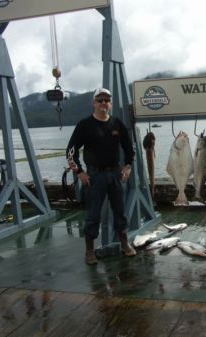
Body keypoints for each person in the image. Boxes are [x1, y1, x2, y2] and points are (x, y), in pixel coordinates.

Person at [66, 88, 136, 265]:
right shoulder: (85, 125)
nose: (103, 103)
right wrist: (79, 172)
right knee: (93, 214)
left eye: (106, 100)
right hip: (95, 176)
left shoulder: (117, 124)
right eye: (100, 100)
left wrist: (128, 167)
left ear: (110, 103)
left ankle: (124, 244)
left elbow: (129, 148)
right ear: (94, 103)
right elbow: (70, 151)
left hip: (115, 174)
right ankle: (89, 251)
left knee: (120, 212)